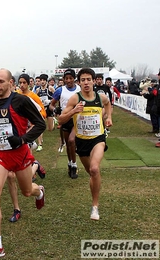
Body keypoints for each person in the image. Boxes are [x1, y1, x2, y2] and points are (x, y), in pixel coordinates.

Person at [0, 68, 46, 259]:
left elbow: (40, 124)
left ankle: (40, 191)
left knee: (27, 191)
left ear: (10, 83)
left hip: (19, 154)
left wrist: (22, 140)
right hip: (0, 155)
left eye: (1, 82)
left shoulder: (20, 100)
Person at [58, 68, 112, 220]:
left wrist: (109, 118)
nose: (86, 82)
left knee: (95, 169)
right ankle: (95, 187)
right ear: (79, 82)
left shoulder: (100, 97)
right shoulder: (75, 99)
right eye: (83, 80)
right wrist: (73, 111)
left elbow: (108, 103)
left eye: (89, 79)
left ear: (94, 81)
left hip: (98, 139)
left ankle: (95, 207)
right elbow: (61, 120)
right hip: (81, 141)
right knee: (92, 173)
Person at [49, 69, 81, 179]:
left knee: (72, 141)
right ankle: (70, 164)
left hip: (77, 119)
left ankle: (75, 165)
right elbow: (51, 105)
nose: (68, 80)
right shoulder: (59, 90)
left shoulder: (79, 89)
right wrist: (55, 110)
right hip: (65, 119)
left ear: (74, 79)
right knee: (68, 144)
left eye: (70, 78)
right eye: (66, 78)